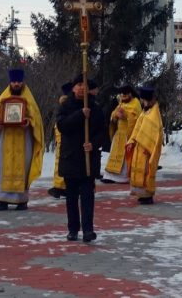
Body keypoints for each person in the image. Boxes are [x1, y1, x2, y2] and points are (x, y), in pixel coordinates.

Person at [57, 74, 109, 242]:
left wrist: (93, 144)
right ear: (73, 88)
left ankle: (88, 230)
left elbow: (103, 132)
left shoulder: (95, 107)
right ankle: (73, 229)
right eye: (78, 84)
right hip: (71, 157)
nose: (81, 87)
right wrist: (80, 114)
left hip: (88, 159)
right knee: (71, 197)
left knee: (87, 196)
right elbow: (63, 126)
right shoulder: (66, 105)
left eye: (84, 84)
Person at [0, 69, 44, 211]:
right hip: (5, 138)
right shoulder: (3, 98)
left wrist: (28, 122)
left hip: (24, 139)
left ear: (23, 82)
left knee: (23, 168)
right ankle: (2, 200)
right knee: (2, 167)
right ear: (10, 82)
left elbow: (36, 119)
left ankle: (21, 200)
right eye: (14, 82)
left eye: (19, 82)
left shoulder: (29, 99)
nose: (16, 84)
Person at [126, 86, 164, 204]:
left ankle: (147, 195)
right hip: (139, 146)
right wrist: (132, 141)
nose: (144, 102)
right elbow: (137, 128)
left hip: (147, 149)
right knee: (138, 170)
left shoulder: (154, 114)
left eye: (145, 100)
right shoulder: (145, 111)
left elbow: (156, 134)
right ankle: (140, 194)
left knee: (146, 171)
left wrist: (150, 148)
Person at [102, 85, 142, 184]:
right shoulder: (121, 103)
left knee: (125, 158)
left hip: (129, 134)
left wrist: (125, 116)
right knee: (113, 155)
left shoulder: (136, 103)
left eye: (125, 95)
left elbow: (137, 119)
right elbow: (113, 114)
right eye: (122, 95)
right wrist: (115, 115)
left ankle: (123, 177)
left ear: (130, 94)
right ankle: (110, 176)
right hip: (119, 133)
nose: (123, 97)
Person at [48, 82, 72, 199]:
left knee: (66, 164)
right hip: (61, 140)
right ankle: (59, 187)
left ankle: (63, 188)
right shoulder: (65, 107)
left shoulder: (71, 107)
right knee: (60, 164)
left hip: (68, 141)